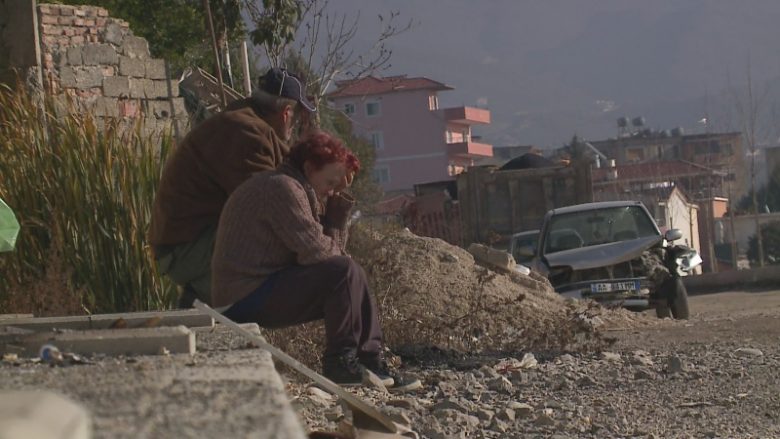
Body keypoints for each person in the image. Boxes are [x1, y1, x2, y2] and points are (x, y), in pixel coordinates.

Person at [211, 131, 419, 389]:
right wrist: (345, 261)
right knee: (346, 271)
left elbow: (330, 257)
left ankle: (370, 359)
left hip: (262, 288)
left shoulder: (299, 188)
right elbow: (318, 254)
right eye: (330, 183)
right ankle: (340, 363)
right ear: (309, 167)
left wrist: (337, 210)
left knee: (353, 272)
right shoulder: (282, 188)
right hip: (242, 297)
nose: (331, 191)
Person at [148, 68, 316, 308]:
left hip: (189, 241)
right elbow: (270, 206)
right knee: (268, 245)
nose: (297, 125)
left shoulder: (246, 123)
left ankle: (204, 305)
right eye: (299, 117)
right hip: (185, 248)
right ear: (287, 113)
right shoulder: (247, 132)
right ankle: (212, 305)